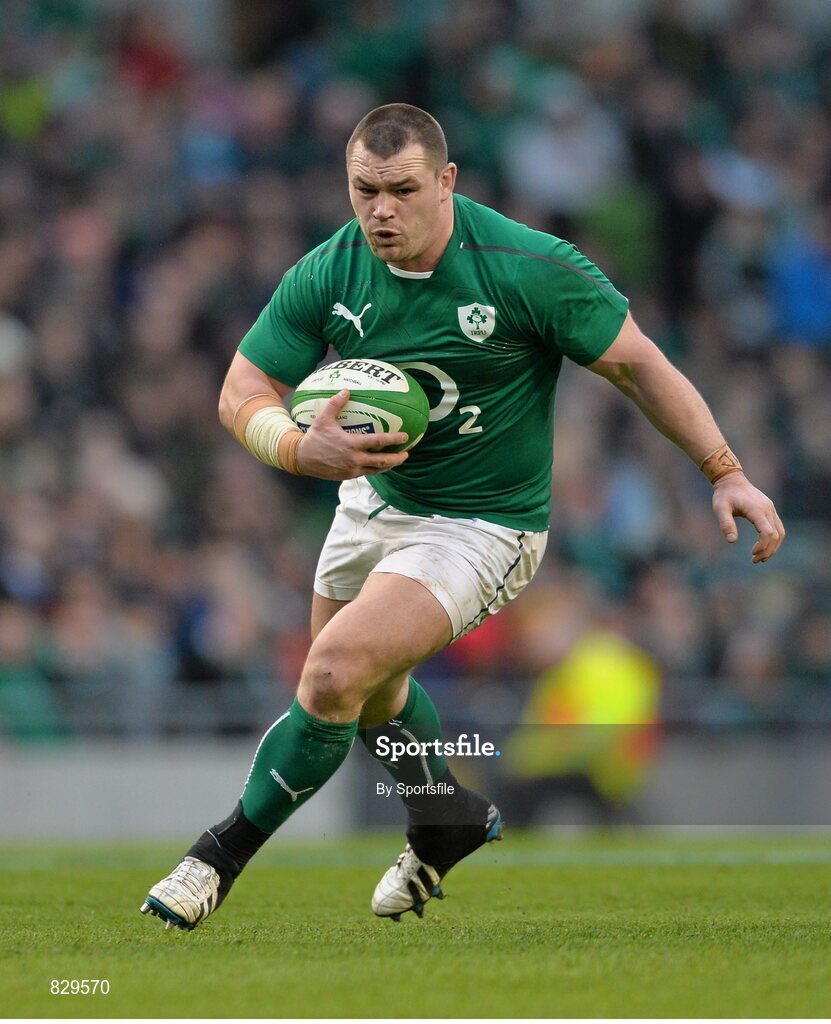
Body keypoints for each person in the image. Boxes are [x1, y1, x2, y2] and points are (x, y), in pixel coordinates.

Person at [140, 103, 784, 930]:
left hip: (484, 522)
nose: (379, 210)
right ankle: (443, 817)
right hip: (373, 497)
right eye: (363, 189)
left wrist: (724, 471)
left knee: (333, 672)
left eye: (401, 190)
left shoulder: (526, 265)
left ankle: (213, 859)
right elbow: (241, 389)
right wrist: (298, 451)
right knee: (368, 697)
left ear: (445, 182)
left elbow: (639, 367)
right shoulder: (330, 270)